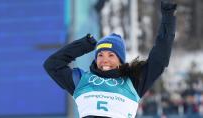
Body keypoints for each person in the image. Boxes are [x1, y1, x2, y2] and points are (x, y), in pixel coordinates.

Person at [43, 1, 177, 118]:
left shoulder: (133, 81)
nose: (104, 60)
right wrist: (84, 45)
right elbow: (52, 65)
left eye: (111, 55)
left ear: (120, 60)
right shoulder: (81, 81)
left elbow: (160, 58)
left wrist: (168, 15)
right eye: (100, 55)